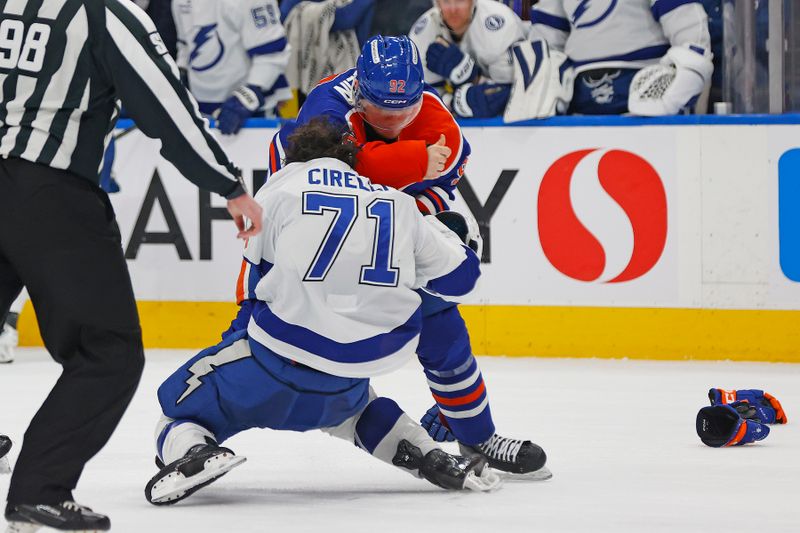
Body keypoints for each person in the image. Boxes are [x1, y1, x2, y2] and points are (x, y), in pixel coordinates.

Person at [0, 0, 262, 530]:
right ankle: (39, 489)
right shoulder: (108, 15)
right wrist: (228, 184)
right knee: (109, 352)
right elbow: (168, 109)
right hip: (51, 193)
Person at [147, 118, 500, 504]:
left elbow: (253, 287)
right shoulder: (398, 204)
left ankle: (194, 451)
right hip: (351, 374)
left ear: (292, 158)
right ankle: (429, 455)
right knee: (357, 409)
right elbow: (463, 281)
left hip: (278, 359)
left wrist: (240, 355)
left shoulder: (278, 190)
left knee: (176, 407)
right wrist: (444, 234)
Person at [267, 36, 550, 479]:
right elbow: (325, 174)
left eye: (406, 110)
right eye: (383, 110)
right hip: (314, 241)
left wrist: (380, 169)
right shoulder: (327, 102)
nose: (396, 120)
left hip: (379, 240)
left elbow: (424, 198)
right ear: (359, 95)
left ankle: (475, 435)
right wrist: (414, 158)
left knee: (445, 331)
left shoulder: (441, 123)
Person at [529, 0, 713, 115]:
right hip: (579, 98)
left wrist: (689, 70)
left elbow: (689, 32)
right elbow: (545, 40)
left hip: (646, 92)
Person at [172, 0, 292, 134]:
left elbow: (272, 53)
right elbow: (185, 46)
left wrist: (247, 97)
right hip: (199, 112)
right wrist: (179, 77)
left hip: (251, 116)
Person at [409, 0, 529, 118]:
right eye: (446, 1)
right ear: (437, 3)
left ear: (473, 1)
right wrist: (454, 103)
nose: (453, 9)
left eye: (460, 1)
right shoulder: (423, 33)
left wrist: (471, 76)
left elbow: (511, 93)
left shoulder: (500, 23)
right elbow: (418, 100)